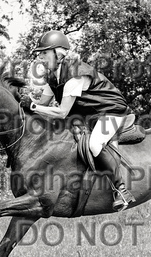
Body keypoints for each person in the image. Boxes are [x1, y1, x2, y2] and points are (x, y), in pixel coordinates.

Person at [29, 30, 135, 211]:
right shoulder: (52, 75)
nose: (41, 58)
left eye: (44, 53)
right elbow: (43, 104)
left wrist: (33, 107)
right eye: (40, 54)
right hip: (89, 116)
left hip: (110, 111)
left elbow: (62, 112)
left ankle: (121, 190)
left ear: (58, 53)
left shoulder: (75, 73)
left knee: (94, 144)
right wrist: (27, 103)